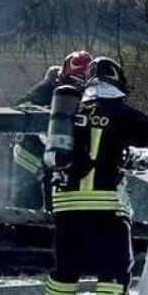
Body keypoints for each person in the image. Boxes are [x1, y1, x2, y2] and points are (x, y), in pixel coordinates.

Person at [39, 56, 148, 295]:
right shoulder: (120, 112)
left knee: (64, 271)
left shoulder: (69, 113)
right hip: (104, 205)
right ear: (117, 82)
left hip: (65, 206)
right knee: (114, 270)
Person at [11, 50, 92, 210]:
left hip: (57, 155)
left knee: (54, 203)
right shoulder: (47, 88)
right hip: (29, 153)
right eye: (72, 80)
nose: (75, 86)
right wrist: (46, 117)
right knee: (26, 204)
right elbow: (21, 106)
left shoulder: (86, 96)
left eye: (80, 83)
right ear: (63, 76)